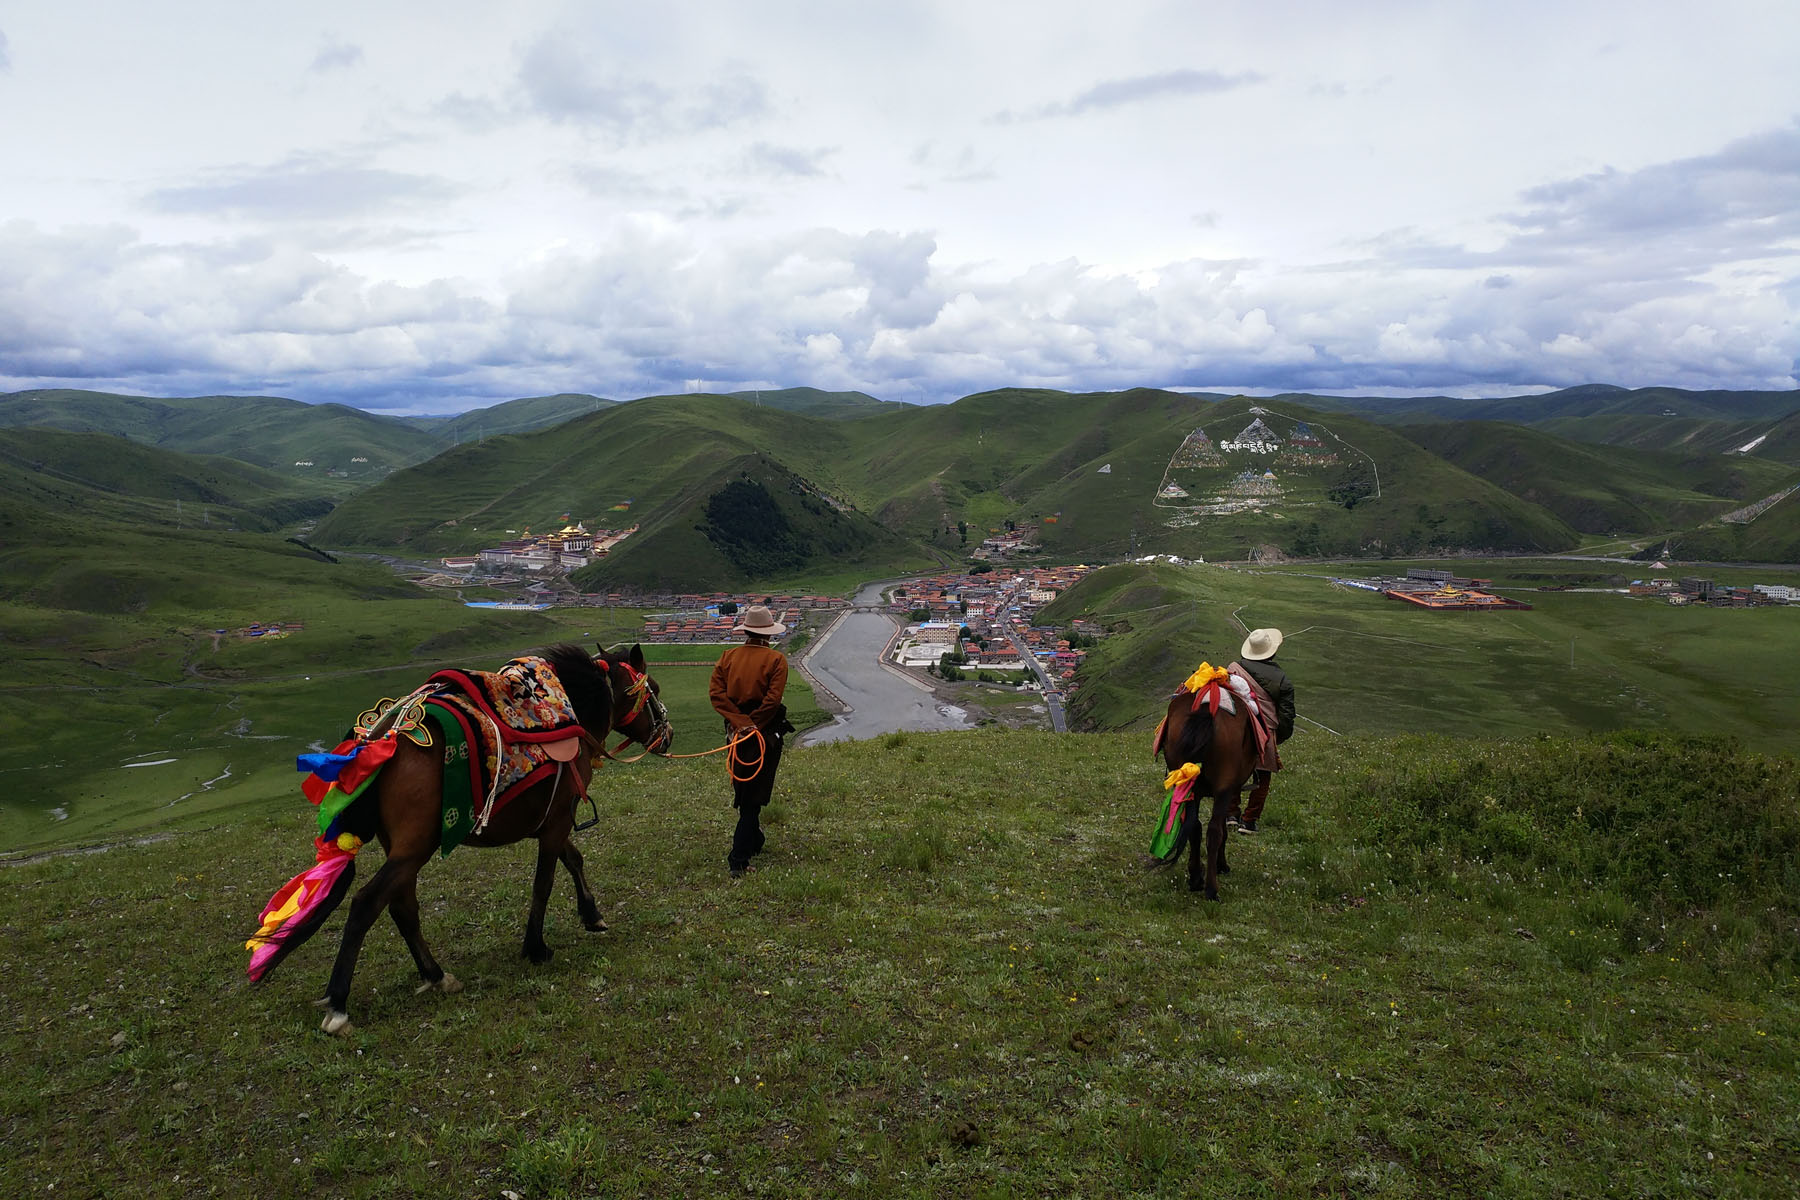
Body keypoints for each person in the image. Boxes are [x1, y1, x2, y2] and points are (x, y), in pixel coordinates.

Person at [708, 604, 795, 877]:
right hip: (763, 734)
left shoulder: (727, 657)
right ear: (768, 634)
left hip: (735, 732)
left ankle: (754, 840)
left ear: (745, 630)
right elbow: (772, 700)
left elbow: (717, 695)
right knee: (753, 798)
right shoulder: (776, 661)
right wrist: (753, 724)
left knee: (743, 785)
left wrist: (739, 723)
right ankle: (739, 859)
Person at [1231, 627, 1295, 834]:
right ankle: (1249, 821)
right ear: (1272, 651)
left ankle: (1231, 814)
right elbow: (1286, 716)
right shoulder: (1282, 679)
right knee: (1263, 775)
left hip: (1236, 727)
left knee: (1233, 771)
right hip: (1265, 731)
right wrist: (1278, 736)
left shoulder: (1234, 669)